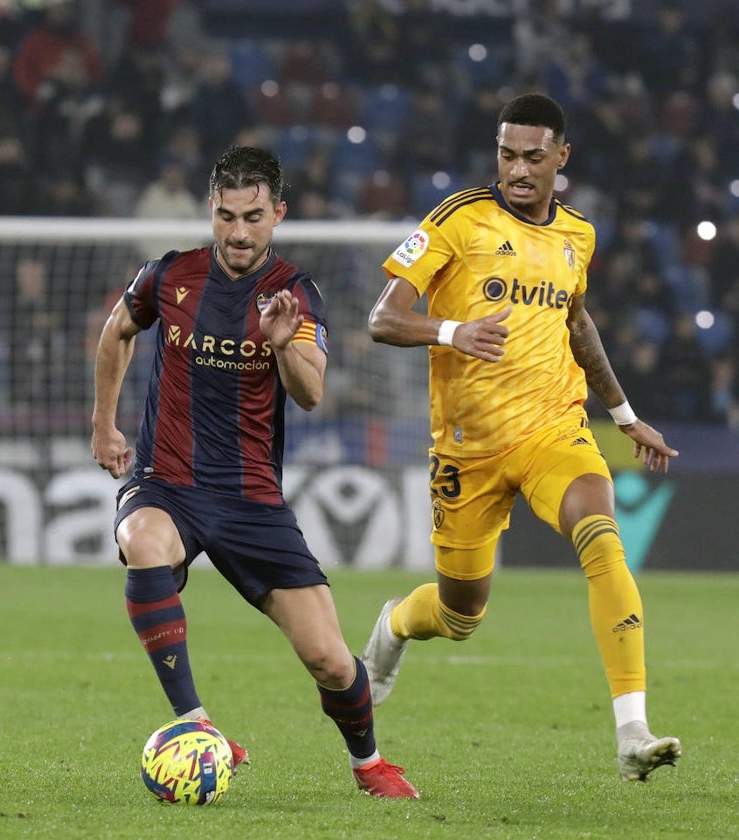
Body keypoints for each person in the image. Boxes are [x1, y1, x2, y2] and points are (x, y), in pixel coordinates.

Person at [363, 92, 682, 782]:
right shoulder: (458, 220)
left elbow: (579, 324)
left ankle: (632, 731)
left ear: (562, 158)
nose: (517, 169)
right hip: (467, 449)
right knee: (459, 614)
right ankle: (392, 625)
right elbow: (382, 320)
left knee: (602, 534)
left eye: (534, 157)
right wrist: (453, 331)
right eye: (507, 154)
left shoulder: (579, 236)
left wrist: (624, 417)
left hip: (551, 429)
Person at [91, 145, 419, 799]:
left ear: (278, 215)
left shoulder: (297, 295)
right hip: (167, 479)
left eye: (254, 217)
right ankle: (196, 725)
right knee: (144, 544)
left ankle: (368, 762)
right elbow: (116, 333)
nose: (239, 233)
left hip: (251, 500)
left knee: (330, 660)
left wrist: (279, 346)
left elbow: (311, 392)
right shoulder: (168, 275)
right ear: (211, 211)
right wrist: (104, 424)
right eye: (227, 216)